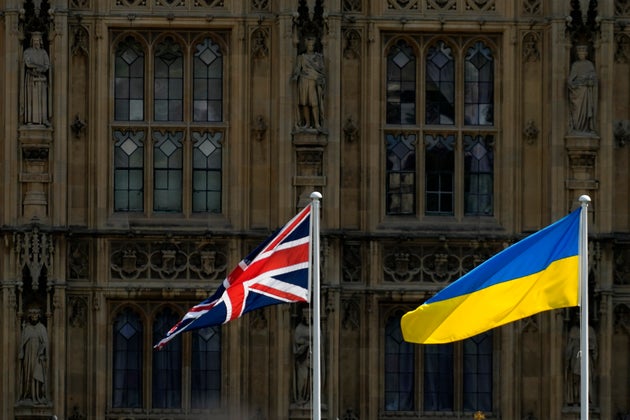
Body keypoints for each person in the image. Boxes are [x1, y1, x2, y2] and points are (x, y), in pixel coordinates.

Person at [292, 36, 325, 130]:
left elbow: (321, 69)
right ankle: (307, 123)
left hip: (313, 81)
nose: (311, 47)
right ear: (307, 46)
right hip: (304, 80)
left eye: (313, 45)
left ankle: (317, 123)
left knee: (314, 103)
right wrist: (295, 76)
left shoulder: (318, 57)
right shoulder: (301, 57)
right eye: (310, 45)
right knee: (305, 103)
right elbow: (298, 69)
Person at [18, 306, 48, 404]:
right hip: (28, 356)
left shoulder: (42, 328)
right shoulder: (26, 328)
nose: (34, 317)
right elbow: (22, 343)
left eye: (36, 315)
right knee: (28, 373)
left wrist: (42, 352)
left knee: (37, 375)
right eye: (32, 315)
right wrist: (21, 352)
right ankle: (28, 394)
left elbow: (45, 343)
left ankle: (38, 395)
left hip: (37, 357)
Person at [568, 45, 597, 134]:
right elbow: (570, 80)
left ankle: (587, 128)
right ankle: (577, 128)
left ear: (586, 54)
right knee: (577, 111)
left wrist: (589, 80)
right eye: (579, 53)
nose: (581, 55)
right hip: (578, 92)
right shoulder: (575, 65)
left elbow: (594, 77)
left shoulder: (589, 64)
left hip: (586, 92)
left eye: (583, 53)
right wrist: (575, 84)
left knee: (586, 111)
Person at [23, 32, 50, 126]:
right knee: (31, 99)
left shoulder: (43, 52)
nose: (36, 42)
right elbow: (28, 64)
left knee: (42, 99)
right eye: (34, 40)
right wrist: (39, 67)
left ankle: (42, 120)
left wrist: (38, 68)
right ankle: (30, 120)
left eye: (38, 40)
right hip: (31, 78)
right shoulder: (27, 51)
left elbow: (47, 66)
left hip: (41, 79)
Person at [293, 310, 311, 405]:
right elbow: (297, 342)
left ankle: (309, 398)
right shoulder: (299, 329)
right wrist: (305, 344)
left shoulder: (315, 328)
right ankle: (300, 397)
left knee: (310, 380)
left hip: (312, 359)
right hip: (302, 360)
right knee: (302, 379)